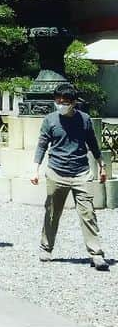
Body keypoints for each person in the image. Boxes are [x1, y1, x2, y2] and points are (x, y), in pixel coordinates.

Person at [32, 83, 109, 271]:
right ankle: (46, 247)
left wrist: (102, 165)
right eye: (57, 100)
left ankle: (96, 254)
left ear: (74, 102)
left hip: (81, 172)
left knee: (88, 213)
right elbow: (42, 144)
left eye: (65, 101)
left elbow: (92, 142)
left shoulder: (84, 119)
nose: (60, 103)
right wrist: (35, 169)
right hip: (56, 172)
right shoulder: (50, 120)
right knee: (52, 212)